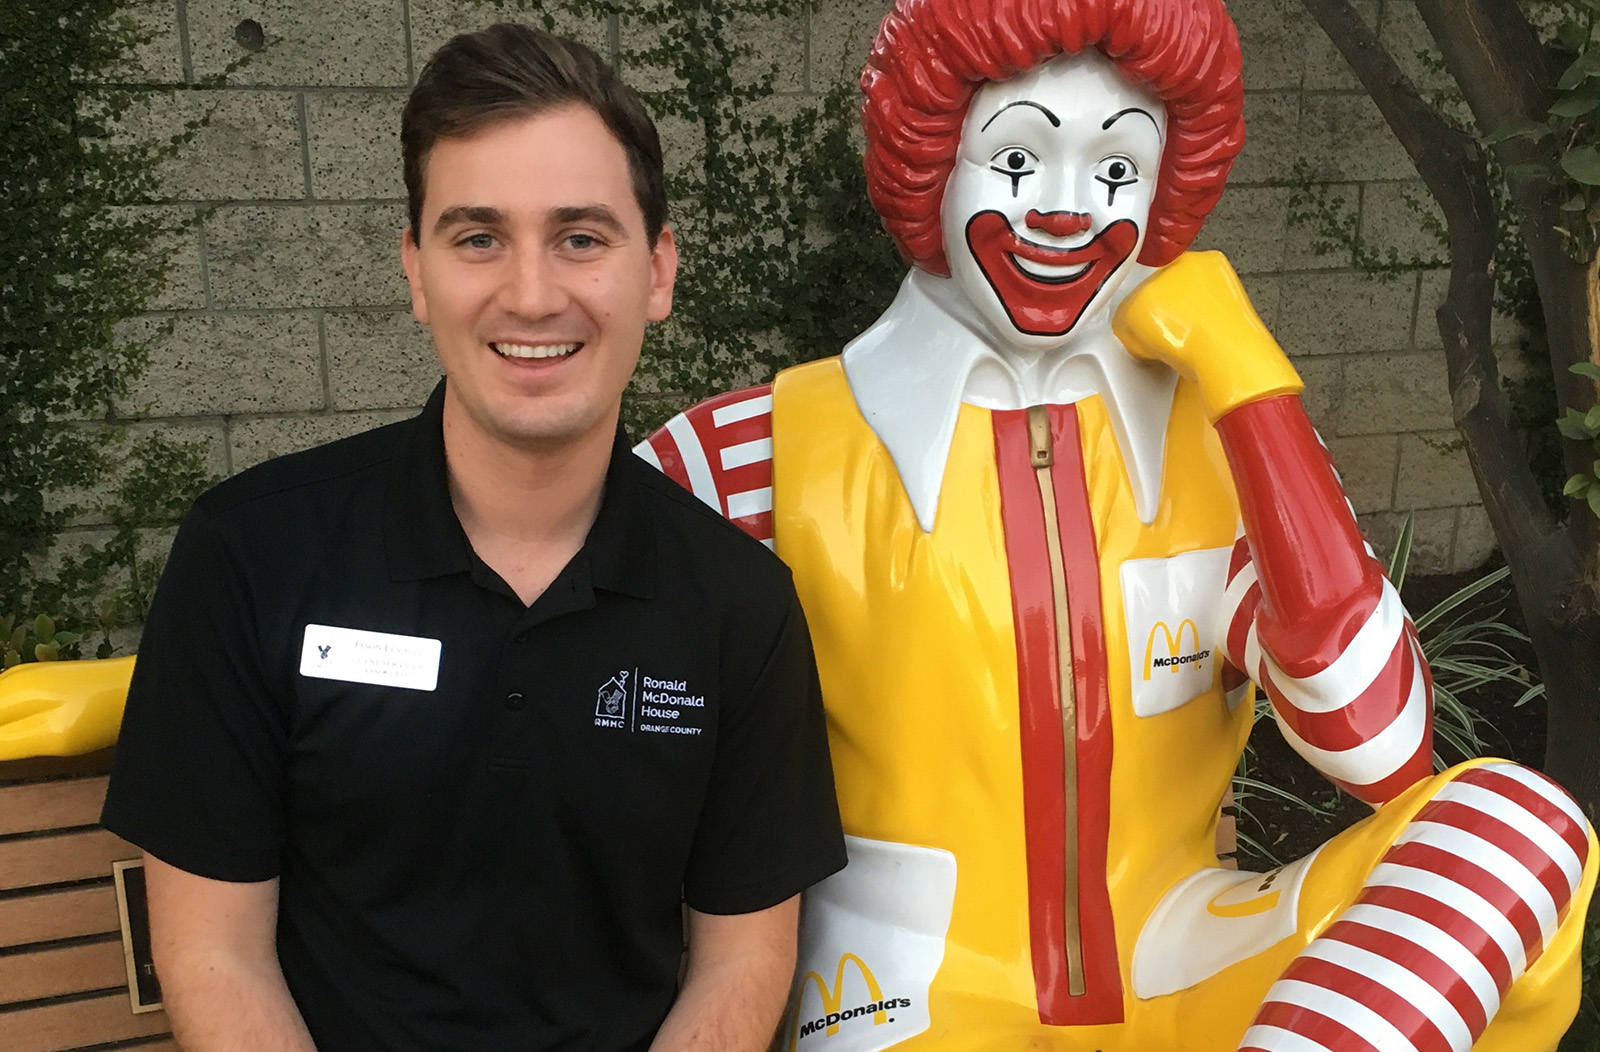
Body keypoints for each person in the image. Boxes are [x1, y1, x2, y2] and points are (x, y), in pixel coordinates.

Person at [640, 0, 1597, 1049]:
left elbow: (1382, 748)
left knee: (1517, 824)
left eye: (1114, 172)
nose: (1066, 210)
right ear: (929, 164)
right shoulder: (760, 447)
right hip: (905, 988)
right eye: (1015, 160)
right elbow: (570, 683)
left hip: (1185, 950)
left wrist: (1247, 378)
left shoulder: (1225, 448)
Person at [101, 23, 847, 1052]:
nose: (532, 293)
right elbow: (214, 948)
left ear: (658, 270)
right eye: (477, 236)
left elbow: (743, 957)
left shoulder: (737, 603)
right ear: (416, 271)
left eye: (580, 236)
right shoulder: (251, 554)